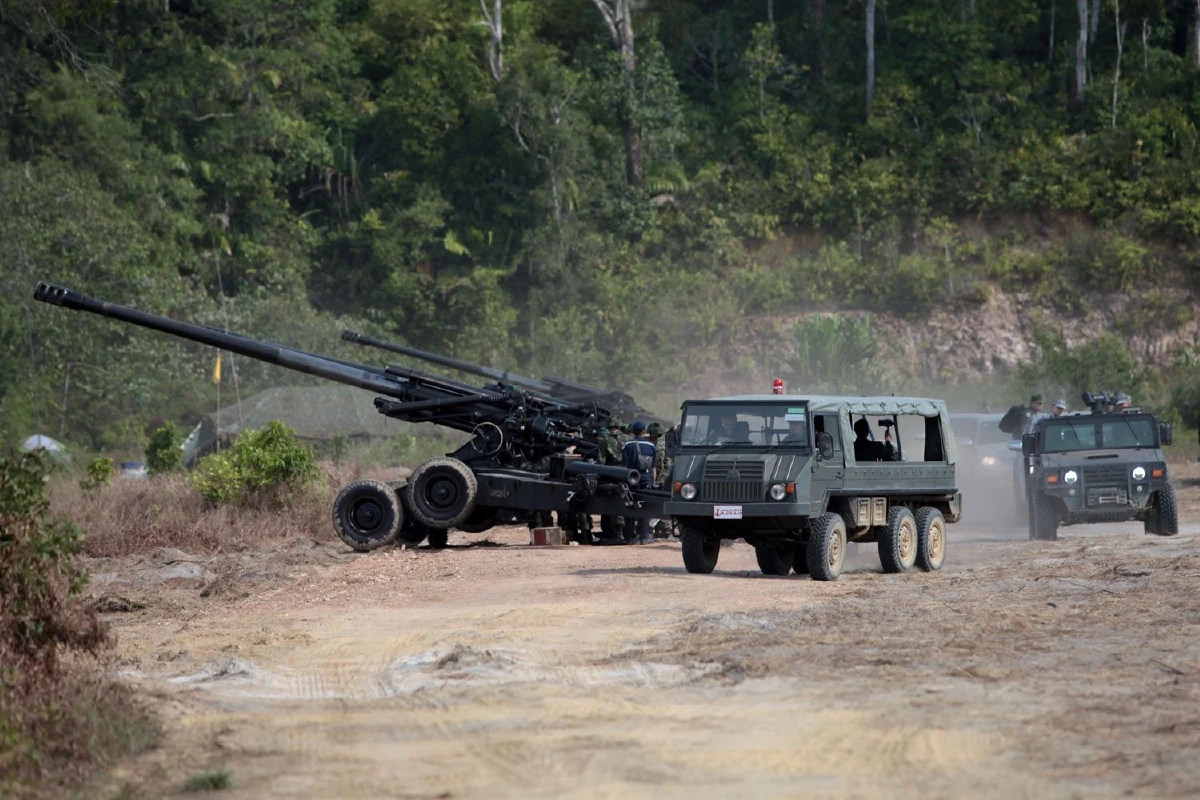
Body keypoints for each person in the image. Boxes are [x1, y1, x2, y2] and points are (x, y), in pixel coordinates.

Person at [622, 421, 656, 544]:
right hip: (646, 479)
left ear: (633, 432)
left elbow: (624, 465)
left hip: (631, 478)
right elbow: (653, 467)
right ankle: (644, 536)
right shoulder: (651, 446)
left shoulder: (627, 445)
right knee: (645, 506)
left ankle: (630, 537)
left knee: (629, 505)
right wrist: (653, 481)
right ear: (644, 431)